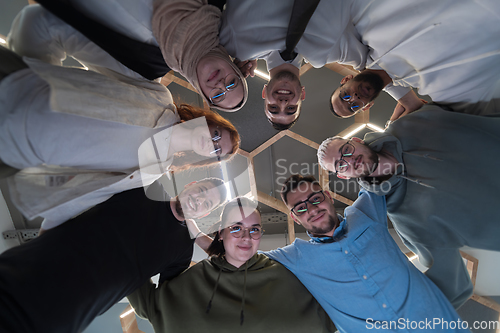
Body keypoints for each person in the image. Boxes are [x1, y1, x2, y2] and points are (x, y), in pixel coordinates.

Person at [0, 42, 240, 230]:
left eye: (216, 151)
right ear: (209, 123)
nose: (212, 143)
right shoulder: (159, 96)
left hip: (18, 148)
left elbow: (91, 190)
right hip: (22, 84)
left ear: (208, 159)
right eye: (217, 135)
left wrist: (48, 228)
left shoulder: (152, 171)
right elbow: (105, 61)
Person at [317, 105, 500, 309]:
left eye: (346, 150)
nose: (349, 159)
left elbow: (471, 108)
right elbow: (452, 283)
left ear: (356, 140)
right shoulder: (406, 219)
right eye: (341, 165)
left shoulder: (409, 126)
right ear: (344, 176)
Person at [0, 178, 226, 333]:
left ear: (205, 213)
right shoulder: (147, 186)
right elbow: (85, 190)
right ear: (192, 183)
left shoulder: (183, 251)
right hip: (40, 262)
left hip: (72, 308)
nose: (199, 199)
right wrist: (48, 227)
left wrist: (198, 238)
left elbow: (157, 306)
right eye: (202, 191)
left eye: (207, 203)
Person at [219, 0, 500, 119]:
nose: (283, 103)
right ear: (301, 96)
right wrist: (409, 101)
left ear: (264, 92)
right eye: (290, 109)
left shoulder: (236, 42)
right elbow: (374, 69)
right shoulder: (330, 51)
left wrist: (231, 60)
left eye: (275, 107)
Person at [262, 174, 470, 333]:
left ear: (328, 197)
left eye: (315, 199)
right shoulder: (295, 257)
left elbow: (377, 169)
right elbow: (238, 258)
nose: (311, 209)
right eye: (300, 208)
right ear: (295, 218)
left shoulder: (364, 214)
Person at [127, 197, 336, 332]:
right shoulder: (193, 280)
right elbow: (147, 301)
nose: (246, 237)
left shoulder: (286, 269)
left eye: (254, 229)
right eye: (236, 228)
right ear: (221, 233)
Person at [8, 3, 248, 112]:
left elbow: (40, 25)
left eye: (218, 94)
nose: (220, 85)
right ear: (234, 67)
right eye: (231, 83)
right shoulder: (214, 5)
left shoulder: (145, 65)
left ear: (204, 94)